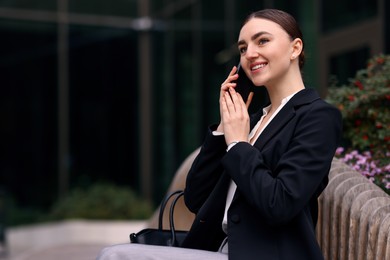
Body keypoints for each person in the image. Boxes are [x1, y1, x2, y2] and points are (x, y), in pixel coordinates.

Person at [97, 8, 342, 260]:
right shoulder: (252, 120)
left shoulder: (317, 116)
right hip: (218, 249)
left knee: (115, 257)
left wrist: (237, 143)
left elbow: (279, 204)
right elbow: (195, 198)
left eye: (262, 41)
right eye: (243, 48)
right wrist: (223, 130)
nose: (250, 54)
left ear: (295, 48)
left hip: (262, 254)